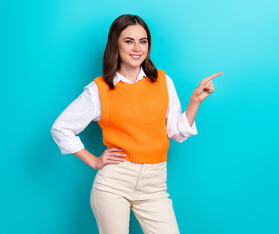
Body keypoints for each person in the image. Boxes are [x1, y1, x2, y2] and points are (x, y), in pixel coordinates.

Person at [50, 14, 222, 234]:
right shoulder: (99, 90)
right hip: (114, 184)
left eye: (143, 41)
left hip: (154, 185)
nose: (137, 48)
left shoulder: (162, 81)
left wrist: (195, 101)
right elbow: (61, 128)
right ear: (116, 44)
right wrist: (94, 161)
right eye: (128, 41)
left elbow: (176, 132)